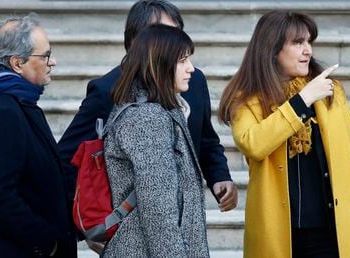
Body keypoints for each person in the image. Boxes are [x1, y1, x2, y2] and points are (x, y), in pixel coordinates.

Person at [218, 10, 350, 258]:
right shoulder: (247, 99)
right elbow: (253, 144)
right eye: (298, 43)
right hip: (281, 236)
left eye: (309, 42)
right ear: (272, 49)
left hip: (335, 234)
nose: (308, 50)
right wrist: (303, 99)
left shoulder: (331, 92)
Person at [58, 0, 237, 220]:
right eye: (162, 33)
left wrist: (220, 176)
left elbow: (205, 138)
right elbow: (67, 160)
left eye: (176, 33)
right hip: (133, 221)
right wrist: (93, 226)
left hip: (187, 214)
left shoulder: (193, 79)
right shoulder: (107, 90)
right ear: (136, 42)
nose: (173, 42)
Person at [102, 24, 209, 257]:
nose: (191, 68)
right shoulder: (146, 118)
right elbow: (158, 209)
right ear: (158, 64)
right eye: (182, 61)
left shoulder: (161, 110)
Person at [0, 14, 77, 258]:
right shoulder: (2, 111)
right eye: (45, 55)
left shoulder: (15, 101)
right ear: (17, 63)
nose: (52, 61)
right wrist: (45, 242)